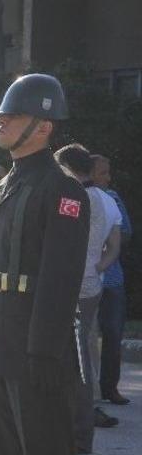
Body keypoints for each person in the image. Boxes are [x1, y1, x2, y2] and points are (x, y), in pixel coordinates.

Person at [0, 74, 88, 455]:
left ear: (43, 125)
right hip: (2, 344)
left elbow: (59, 279)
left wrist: (43, 351)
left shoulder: (63, 190)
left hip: (36, 351)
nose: (0, 119)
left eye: (13, 115)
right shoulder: (8, 183)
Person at [55, 143, 122, 445]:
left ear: (67, 167)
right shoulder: (106, 200)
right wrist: (99, 267)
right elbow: (114, 245)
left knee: (75, 361)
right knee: (79, 358)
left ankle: (80, 432)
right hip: (90, 283)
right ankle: (78, 427)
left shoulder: (76, 196)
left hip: (73, 287)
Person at [93, 154, 132, 405]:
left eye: (108, 172)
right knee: (85, 336)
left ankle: (110, 387)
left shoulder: (114, 198)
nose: (108, 177)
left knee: (113, 333)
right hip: (85, 278)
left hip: (112, 279)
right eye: (103, 172)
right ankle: (89, 393)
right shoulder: (78, 196)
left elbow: (126, 232)